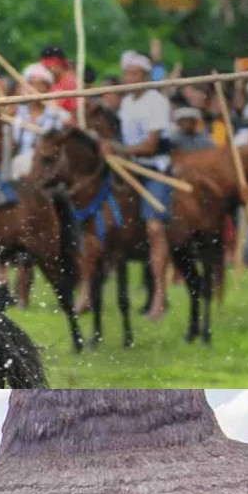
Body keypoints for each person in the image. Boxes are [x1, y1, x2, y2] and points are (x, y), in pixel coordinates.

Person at [108, 50, 174, 321]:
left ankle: (160, 294)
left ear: (145, 77)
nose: (129, 79)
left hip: (154, 169)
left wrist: (121, 149)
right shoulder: (125, 104)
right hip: (127, 168)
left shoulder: (156, 101)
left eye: (135, 75)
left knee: (155, 229)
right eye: (127, 74)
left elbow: (150, 145)